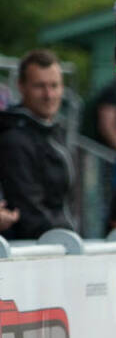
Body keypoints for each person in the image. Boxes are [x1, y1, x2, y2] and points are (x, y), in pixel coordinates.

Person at [0, 50, 73, 240]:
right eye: (40, 86)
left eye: (54, 86)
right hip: (33, 249)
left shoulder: (54, 133)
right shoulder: (14, 139)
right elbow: (29, 213)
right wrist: (69, 239)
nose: (48, 95)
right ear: (21, 87)